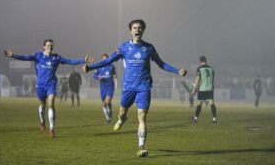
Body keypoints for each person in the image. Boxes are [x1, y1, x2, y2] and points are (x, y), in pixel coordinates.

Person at [82, 19, 187, 157]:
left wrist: (177, 71)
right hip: (128, 87)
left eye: (140, 28)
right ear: (130, 31)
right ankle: (121, 119)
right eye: (135, 28)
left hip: (144, 87)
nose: (137, 30)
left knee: (142, 116)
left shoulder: (149, 48)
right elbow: (108, 60)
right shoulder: (123, 47)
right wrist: (90, 67)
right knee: (122, 111)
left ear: (143, 30)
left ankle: (141, 147)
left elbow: (161, 64)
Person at [4, 39, 94, 138]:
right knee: (42, 105)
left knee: (51, 103)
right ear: (44, 47)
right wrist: (13, 55)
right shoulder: (38, 56)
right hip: (40, 85)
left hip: (51, 84)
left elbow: (69, 61)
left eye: (51, 46)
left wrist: (83, 60)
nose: (50, 47)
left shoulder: (56, 57)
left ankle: (52, 128)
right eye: (48, 45)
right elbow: (25, 57)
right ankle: (42, 121)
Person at [190, 56, 217, 123]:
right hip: (210, 88)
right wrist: (212, 86)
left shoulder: (199, 68)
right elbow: (213, 79)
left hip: (202, 88)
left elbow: (197, 79)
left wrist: (194, 89)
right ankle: (214, 119)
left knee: (199, 103)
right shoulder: (211, 68)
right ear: (206, 60)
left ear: (200, 61)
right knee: (212, 103)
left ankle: (196, 118)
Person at [93, 53, 117, 124]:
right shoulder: (99, 67)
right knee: (104, 104)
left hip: (110, 86)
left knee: (107, 102)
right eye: (103, 58)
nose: (104, 59)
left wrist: (115, 76)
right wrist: (98, 78)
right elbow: (94, 76)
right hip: (102, 87)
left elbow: (114, 73)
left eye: (106, 58)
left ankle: (109, 113)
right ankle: (108, 117)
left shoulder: (111, 66)